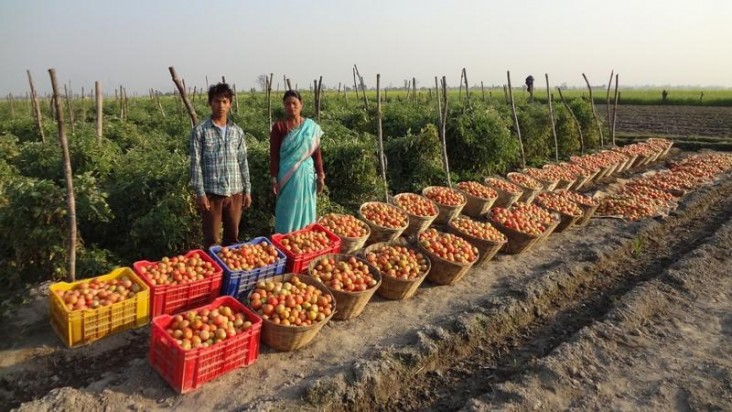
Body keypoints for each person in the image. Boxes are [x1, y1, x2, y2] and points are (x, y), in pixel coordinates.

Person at [190, 83, 252, 248]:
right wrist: (200, 193)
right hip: (212, 194)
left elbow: (242, 161)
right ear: (210, 103)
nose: (221, 106)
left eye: (225, 102)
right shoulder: (200, 131)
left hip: (235, 192)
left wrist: (247, 190)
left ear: (230, 104)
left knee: (233, 238)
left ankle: (229, 272)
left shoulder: (237, 131)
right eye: (217, 101)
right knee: (212, 240)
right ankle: (214, 270)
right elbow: (195, 164)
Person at [269, 90, 325, 234]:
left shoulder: (310, 127)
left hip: (306, 176)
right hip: (287, 177)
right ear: (284, 106)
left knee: (307, 207)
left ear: (301, 105)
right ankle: (285, 240)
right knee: (287, 209)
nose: (291, 106)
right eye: (287, 104)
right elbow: (274, 155)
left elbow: (316, 153)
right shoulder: (279, 127)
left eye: (294, 103)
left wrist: (320, 175)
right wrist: (274, 178)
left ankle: (305, 241)